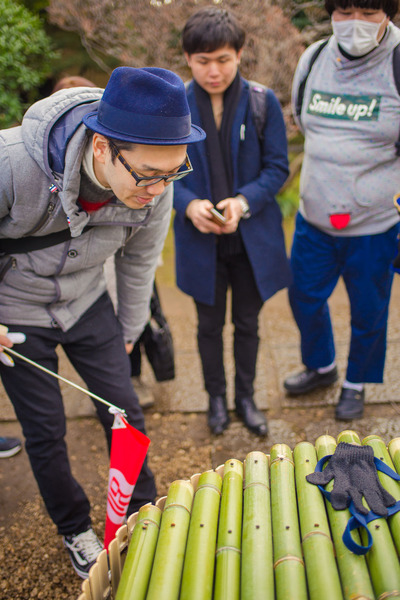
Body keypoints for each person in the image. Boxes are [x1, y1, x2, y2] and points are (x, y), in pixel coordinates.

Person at [0, 66, 205, 578]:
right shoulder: (10, 165)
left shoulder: (156, 183)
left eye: (174, 173)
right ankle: (74, 529)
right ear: (100, 148)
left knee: (125, 412)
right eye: (147, 176)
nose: (158, 190)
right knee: (45, 431)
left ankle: (144, 510)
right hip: (16, 311)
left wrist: (128, 332)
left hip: (89, 303)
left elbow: (139, 265)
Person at [173, 7, 291, 437]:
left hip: (251, 239)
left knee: (248, 323)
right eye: (202, 61)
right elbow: (158, 173)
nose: (213, 70)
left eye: (223, 59)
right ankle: (216, 399)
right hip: (198, 237)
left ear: (240, 53)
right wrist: (187, 205)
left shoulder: (263, 101)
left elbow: (278, 168)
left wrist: (243, 202)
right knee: (207, 326)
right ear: (187, 58)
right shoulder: (174, 105)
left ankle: (246, 397)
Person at [284, 0, 400, 420]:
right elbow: (302, 120)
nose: (355, 24)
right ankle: (322, 366)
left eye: (369, 12)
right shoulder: (313, 58)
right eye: (345, 11)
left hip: (375, 226)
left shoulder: (398, 63)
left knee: (369, 310)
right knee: (303, 298)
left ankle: (356, 382)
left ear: (389, 14)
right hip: (313, 220)